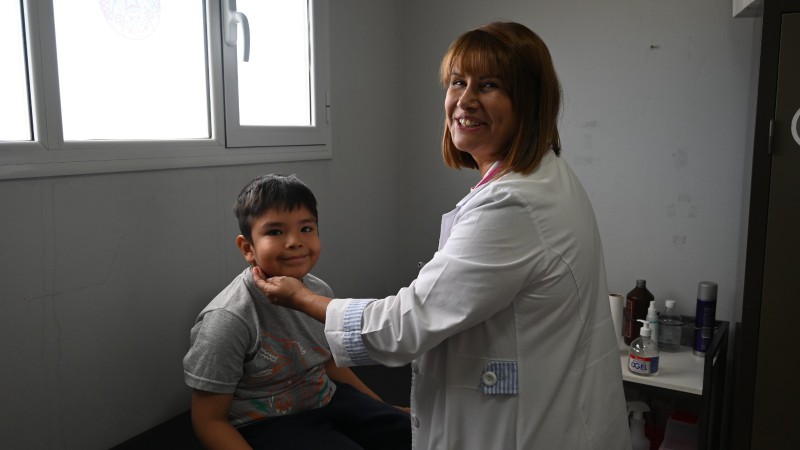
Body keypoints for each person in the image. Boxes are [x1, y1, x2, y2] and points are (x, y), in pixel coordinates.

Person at [253, 22, 631, 450]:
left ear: (528, 101)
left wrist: (302, 299)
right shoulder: (543, 178)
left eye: (488, 85)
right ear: (247, 245)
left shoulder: (516, 204)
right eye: (457, 82)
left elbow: (405, 326)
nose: (464, 101)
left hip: (527, 427)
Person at [182, 174, 411, 450]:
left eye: (306, 228)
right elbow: (208, 421)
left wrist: (384, 408)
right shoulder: (228, 319)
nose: (294, 241)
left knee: (415, 433)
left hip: (327, 398)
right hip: (268, 422)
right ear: (247, 248)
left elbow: (327, 362)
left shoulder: (318, 293)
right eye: (275, 232)